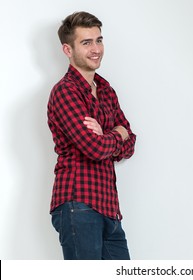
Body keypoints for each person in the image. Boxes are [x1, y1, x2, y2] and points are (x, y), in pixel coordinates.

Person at [47, 11, 136, 260]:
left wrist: (110, 135)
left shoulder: (106, 90)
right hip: (78, 204)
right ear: (68, 50)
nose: (96, 48)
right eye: (86, 42)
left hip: (109, 208)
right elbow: (94, 148)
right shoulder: (65, 92)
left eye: (99, 40)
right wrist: (117, 134)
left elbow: (131, 142)